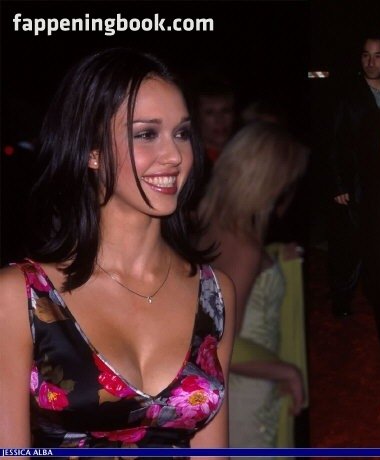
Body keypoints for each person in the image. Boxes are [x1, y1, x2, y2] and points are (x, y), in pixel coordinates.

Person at [0, 48, 235, 451]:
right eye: (146, 134)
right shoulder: (19, 297)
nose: (175, 155)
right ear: (92, 151)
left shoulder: (214, 293)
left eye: (181, 133)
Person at [198, 121, 308, 452]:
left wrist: (274, 258)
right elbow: (219, 344)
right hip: (247, 390)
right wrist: (286, 371)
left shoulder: (209, 226)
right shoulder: (244, 249)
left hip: (226, 390)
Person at [327, 32, 380, 318]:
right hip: (356, 186)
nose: (371, 61)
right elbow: (332, 141)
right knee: (350, 247)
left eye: (378, 55)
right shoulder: (346, 95)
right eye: (366, 55)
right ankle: (342, 300)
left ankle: (379, 294)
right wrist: (338, 184)